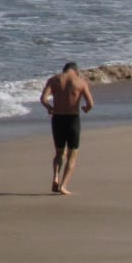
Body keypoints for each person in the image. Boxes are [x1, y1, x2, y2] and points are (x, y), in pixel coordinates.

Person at [40, 61, 93, 195]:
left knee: (59, 153)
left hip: (57, 119)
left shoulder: (54, 80)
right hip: (72, 119)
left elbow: (43, 99)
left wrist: (50, 108)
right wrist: (85, 109)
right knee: (72, 155)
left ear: (64, 70)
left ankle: (55, 177)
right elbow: (90, 104)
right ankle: (63, 185)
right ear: (76, 71)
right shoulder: (80, 82)